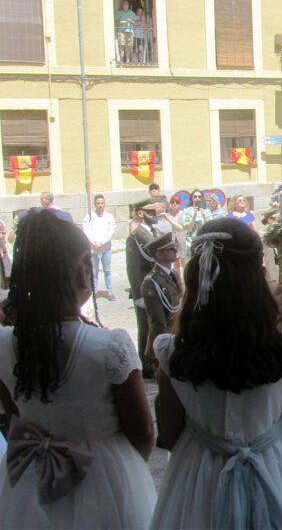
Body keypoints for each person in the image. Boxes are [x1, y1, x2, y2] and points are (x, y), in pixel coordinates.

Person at [150, 218, 282, 529]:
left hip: (198, 477)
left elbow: (171, 434)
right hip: (272, 468)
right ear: (257, 276)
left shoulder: (173, 354)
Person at [0, 210, 156, 527]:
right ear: (84, 272)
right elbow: (142, 432)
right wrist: (124, 470)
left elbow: (13, 416)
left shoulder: (4, 343)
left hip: (29, 482)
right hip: (105, 477)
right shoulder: (110, 346)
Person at [126, 198, 158, 376]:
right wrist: (138, 295)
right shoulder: (135, 236)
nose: (154, 214)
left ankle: (156, 361)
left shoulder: (156, 232)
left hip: (158, 287)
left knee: (157, 324)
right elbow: (133, 269)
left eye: (154, 211)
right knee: (146, 327)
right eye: (150, 212)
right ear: (140, 214)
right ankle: (146, 366)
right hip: (145, 289)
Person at [140, 233, 181, 368]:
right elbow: (158, 322)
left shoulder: (174, 275)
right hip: (164, 343)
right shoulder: (151, 282)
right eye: (171, 249)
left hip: (176, 337)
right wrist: (165, 349)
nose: (175, 250)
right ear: (159, 255)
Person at [82, 194, 117, 301]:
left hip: (106, 248)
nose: (100, 205)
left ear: (104, 204)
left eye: (102, 203)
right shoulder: (89, 217)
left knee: (107, 270)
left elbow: (111, 231)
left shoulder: (109, 216)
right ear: (95, 204)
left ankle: (109, 291)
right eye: (98, 203)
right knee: (94, 271)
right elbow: (86, 230)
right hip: (93, 249)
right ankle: (95, 291)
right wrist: (94, 242)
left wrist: (101, 242)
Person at [182, 189, 212, 258]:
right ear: (192, 198)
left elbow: (209, 228)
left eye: (199, 197)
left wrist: (204, 216)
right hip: (191, 242)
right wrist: (194, 216)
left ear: (202, 198)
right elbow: (188, 228)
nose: (197, 198)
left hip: (204, 242)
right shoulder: (187, 211)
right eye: (195, 197)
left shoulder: (207, 212)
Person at [114, 0, 137, 64]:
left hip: (130, 31)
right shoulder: (119, 13)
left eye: (127, 4)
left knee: (129, 46)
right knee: (121, 46)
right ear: (122, 5)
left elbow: (136, 23)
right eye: (124, 4)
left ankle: (127, 60)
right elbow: (116, 22)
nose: (125, 5)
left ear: (128, 5)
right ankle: (121, 60)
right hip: (121, 31)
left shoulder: (131, 13)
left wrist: (131, 21)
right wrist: (123, 21)